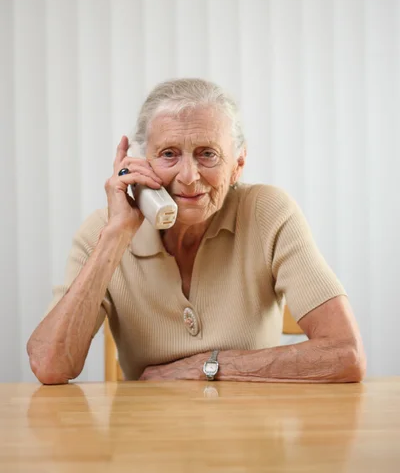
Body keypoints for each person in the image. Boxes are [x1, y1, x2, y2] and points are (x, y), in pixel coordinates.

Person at [27, 78, 366, 384]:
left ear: (238, 165)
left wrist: (208, 366)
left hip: (249, 440)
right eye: (169, 154)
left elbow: (345, 354)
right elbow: (50, 365)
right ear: (142, 163)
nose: (188, 176)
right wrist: (115, 237)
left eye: (207, 154)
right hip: (147, 440)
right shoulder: (103, 232)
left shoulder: (267, 212)